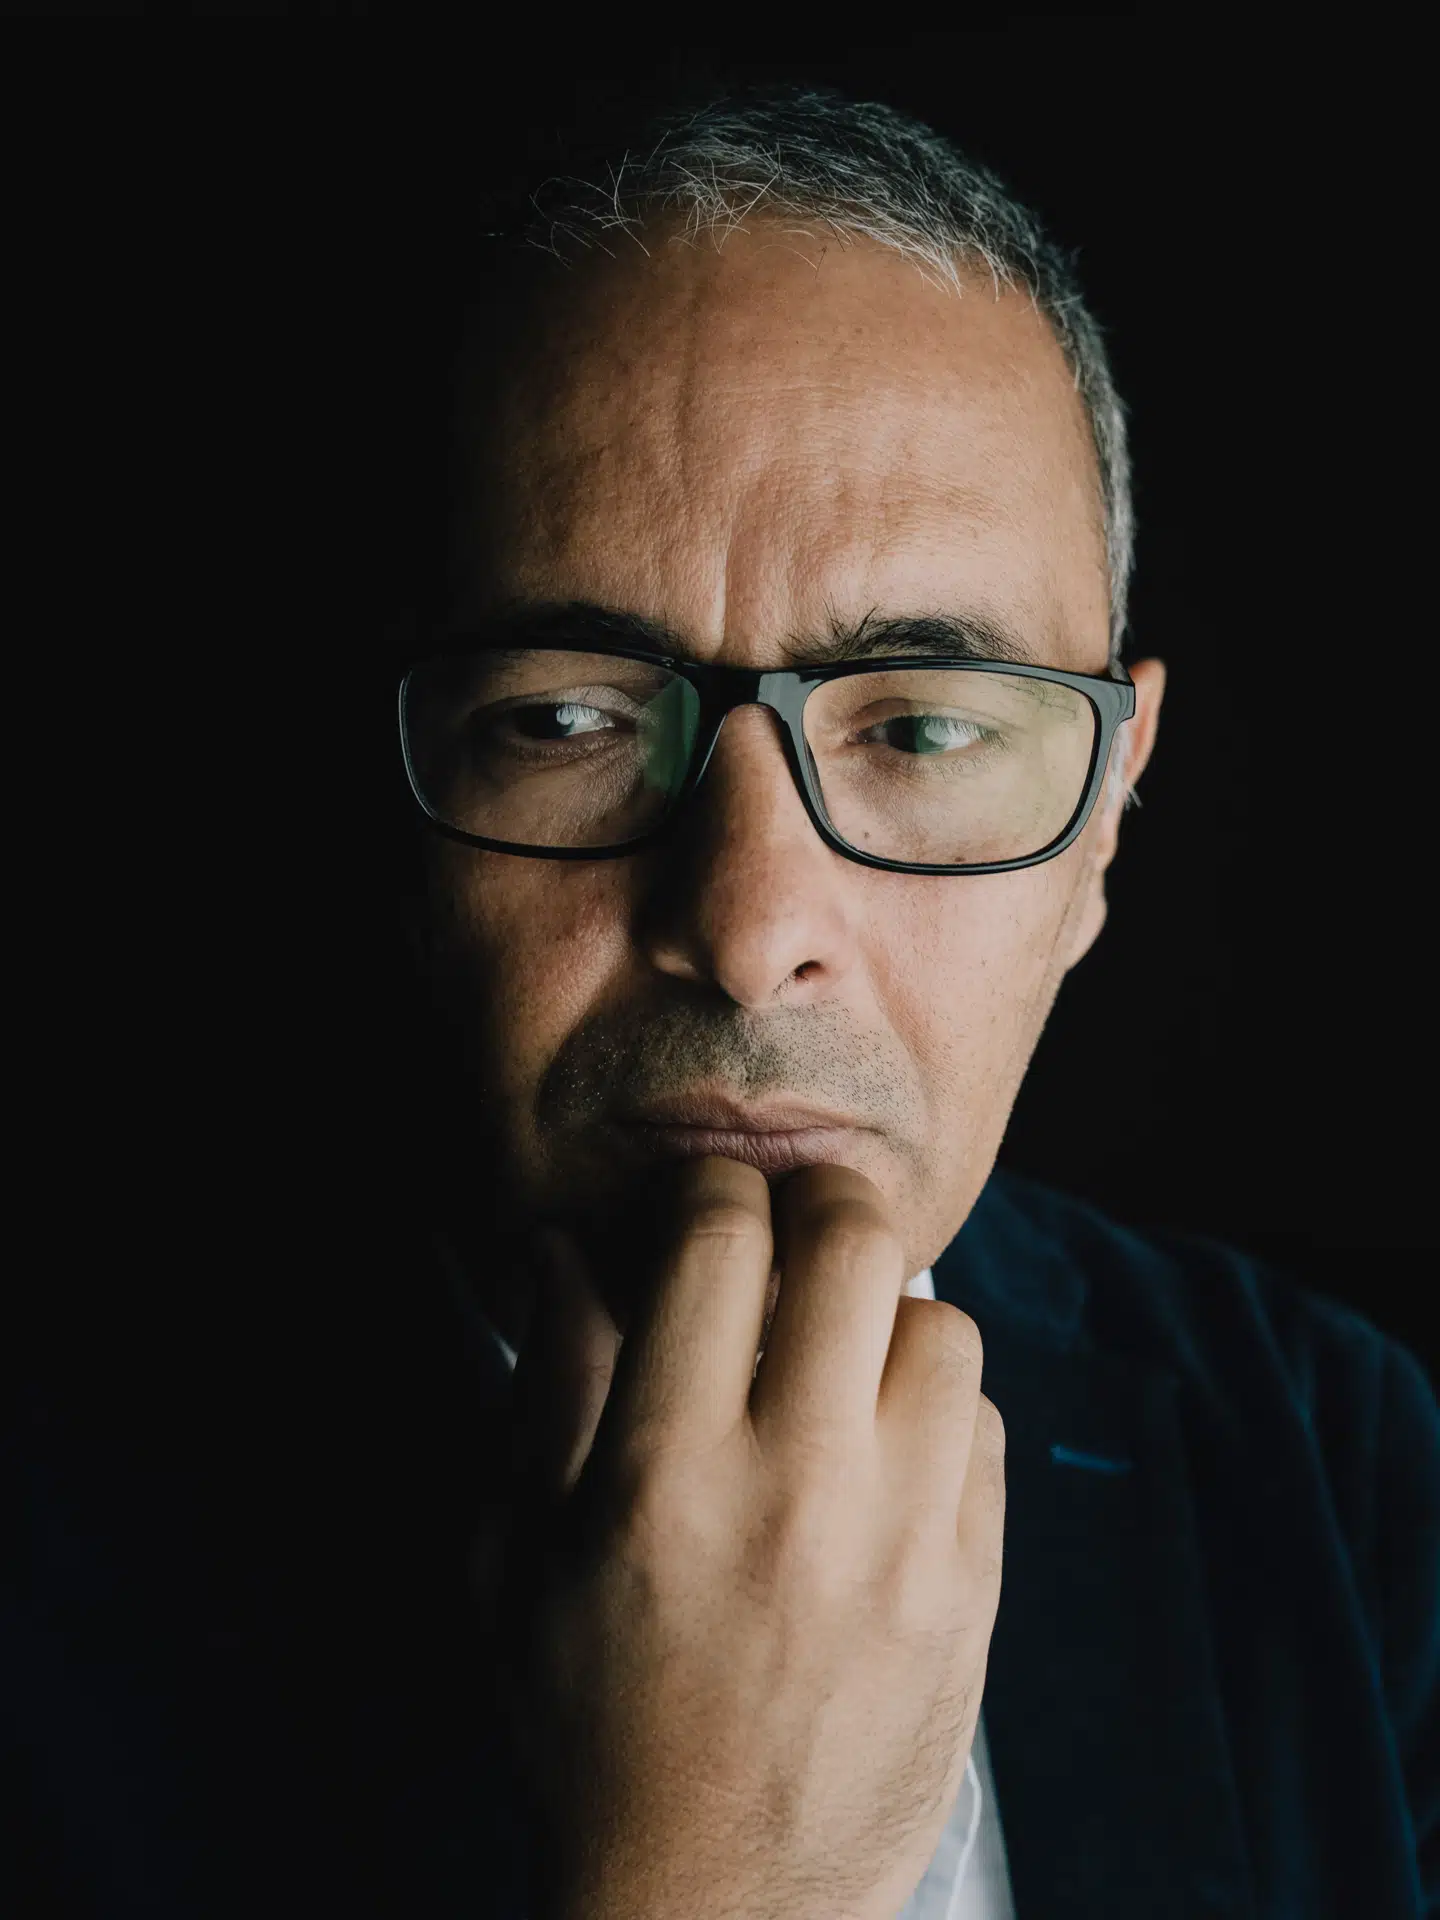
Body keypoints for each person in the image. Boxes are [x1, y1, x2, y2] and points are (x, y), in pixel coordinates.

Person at [9, 85, 1436, 1920]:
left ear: (1104, 819)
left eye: (925, 732)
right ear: (404, 798)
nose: (754, 931)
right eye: (567, 722)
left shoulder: (1340, 1470)